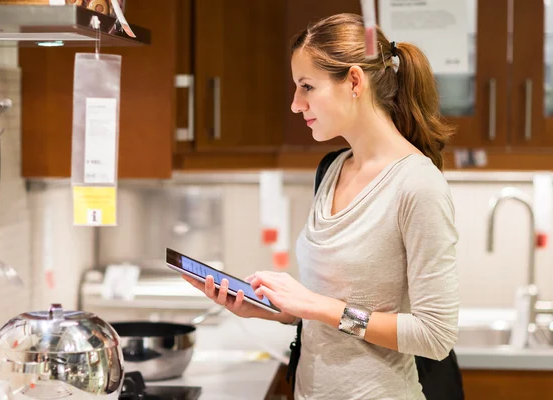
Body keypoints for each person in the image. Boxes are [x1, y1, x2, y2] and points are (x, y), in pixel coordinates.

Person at [182, 13, 460, 400]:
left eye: (307, 87)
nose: (297, 104)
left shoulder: (417, 185)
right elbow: (326, 310)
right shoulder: (331, 169)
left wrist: (319, 306)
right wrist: (273, 308)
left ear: (354, 82)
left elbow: (435, 336)